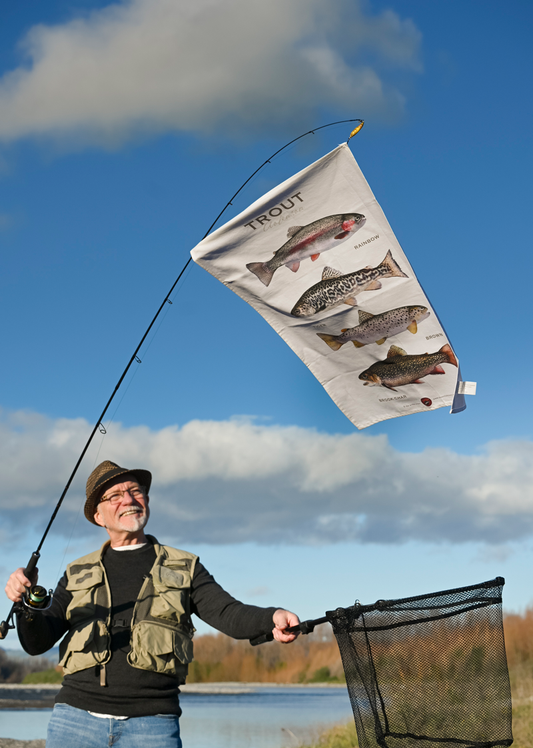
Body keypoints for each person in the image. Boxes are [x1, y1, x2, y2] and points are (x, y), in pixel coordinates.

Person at [5, 460, 300, 748]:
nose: (129, 500)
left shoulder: (185, 567)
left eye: (136, 491)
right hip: (75, 722)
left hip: (153, 725)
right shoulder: (75, 573)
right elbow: (36, 643)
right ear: (98, 516)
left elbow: (227, 613)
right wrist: (25, 604)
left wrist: (271, 616)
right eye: (115, 496)